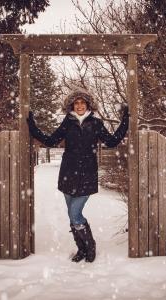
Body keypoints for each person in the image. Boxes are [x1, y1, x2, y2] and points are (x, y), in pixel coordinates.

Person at [26, 87, 129, 263]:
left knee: (75, 214)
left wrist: (125, 120)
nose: (79, 105)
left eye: (82, 102)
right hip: (68, 173)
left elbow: (112, 142)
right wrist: (32, 125)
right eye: (76, 103)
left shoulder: (96, 124)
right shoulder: (68, 122)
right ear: (72, 106)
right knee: (72, 214)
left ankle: (90, 246)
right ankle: (81, 249)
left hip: (88, 173)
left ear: (88, 105)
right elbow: (51, 140)